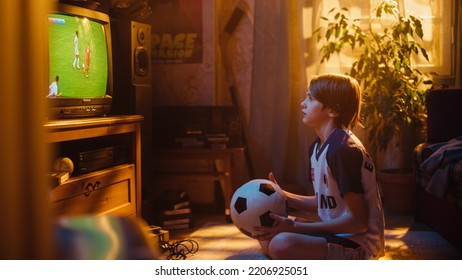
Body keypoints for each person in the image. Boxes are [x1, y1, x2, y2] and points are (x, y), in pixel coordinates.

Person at [254, 73, 385, 260]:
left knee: (281, 244)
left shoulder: (342, 150)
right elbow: (325, 202)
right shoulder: (319, 146)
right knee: (266, 232)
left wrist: (297, 227)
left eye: (310, 98)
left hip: (359, 244)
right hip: (337, 234)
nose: (303, 103)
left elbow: (358, 222)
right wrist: (283, 196)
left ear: (332, 110)